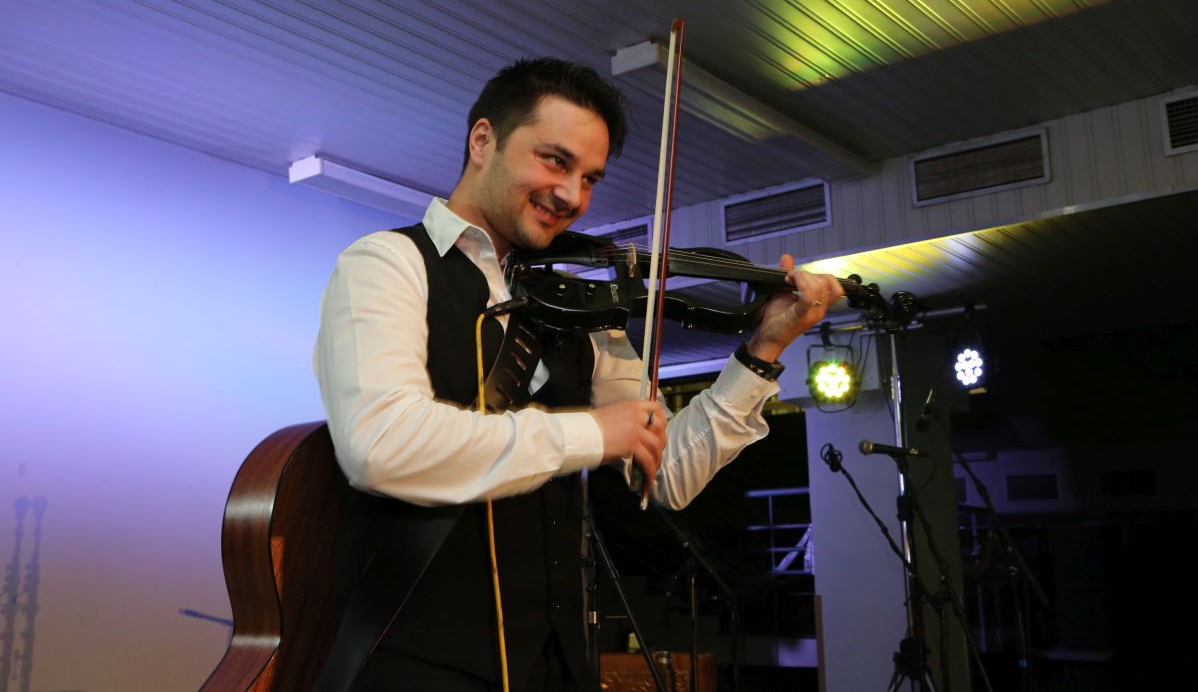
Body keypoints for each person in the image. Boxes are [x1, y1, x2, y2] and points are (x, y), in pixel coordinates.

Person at [314, 57, 843, 691]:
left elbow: (668, 471)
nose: (572, 196)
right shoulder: (387, 263)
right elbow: (382, 446)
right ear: (483, 141)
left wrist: (764, 349)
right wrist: (593, 433)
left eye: (588, 178)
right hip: (413, 671)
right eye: (554, 161)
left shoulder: (577, 307)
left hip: (557, 668)